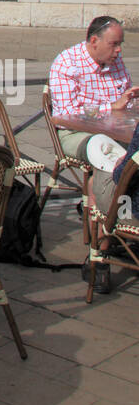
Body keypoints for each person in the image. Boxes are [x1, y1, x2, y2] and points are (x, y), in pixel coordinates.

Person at [49, 17, 139, 291]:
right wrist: (111, 107)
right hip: (76, 134)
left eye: (121, 44)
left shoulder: (115, 62)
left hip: (116, 134)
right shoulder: (67, 63)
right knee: (109, 161)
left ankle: (103, 245)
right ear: (94, 41)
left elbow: (126, 99)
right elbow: (67, 113)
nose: (119, 51)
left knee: (118, 164)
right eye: (114, 44)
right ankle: (104, 247)